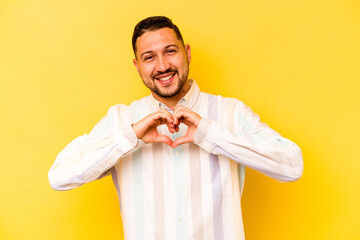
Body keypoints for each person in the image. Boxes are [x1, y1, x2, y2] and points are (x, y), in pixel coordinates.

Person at [48, 16, 303, 240]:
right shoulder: (122, 120)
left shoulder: (230, 113)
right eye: (149, 57)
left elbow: (292, 165)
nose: (162, 66)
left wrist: (210, 133)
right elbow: (60, 176)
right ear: (138, 66)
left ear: (187, 53)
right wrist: (130, 137)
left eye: (170, 51)